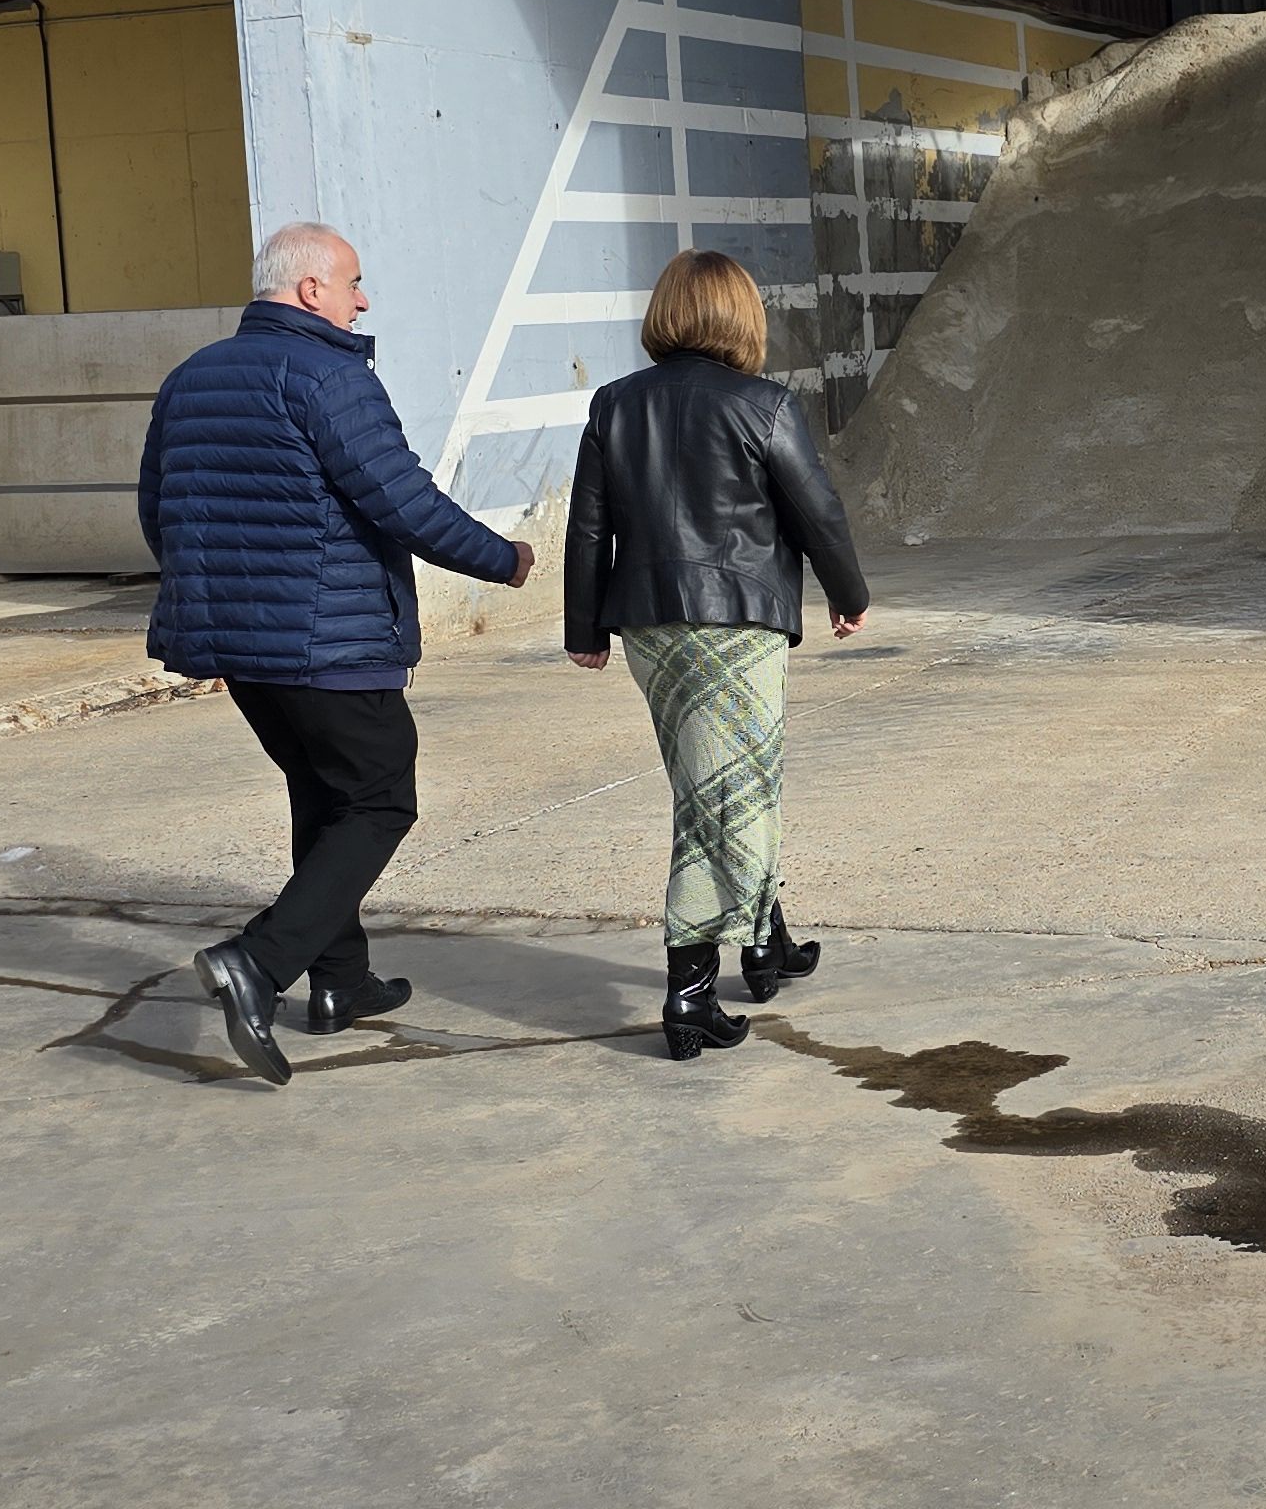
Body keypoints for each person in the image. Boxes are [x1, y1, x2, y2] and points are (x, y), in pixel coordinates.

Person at [138, 220, 530, 1085]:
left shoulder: (191, 377)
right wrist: (502, 559)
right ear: (309, 289)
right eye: (353, 283)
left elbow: (157, 509)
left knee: (324, 796)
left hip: (239, 646)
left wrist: (219, 598)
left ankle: (341, 983)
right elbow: (402, 502)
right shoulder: (328, 375)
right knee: (382, 798)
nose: (362, 300)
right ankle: (259, 962)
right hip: (327, 640)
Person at [563, 248, 869, 1061]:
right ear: (741, 315)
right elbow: (818, 510)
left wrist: (584, 629)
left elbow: (589, 526)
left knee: (725, 784)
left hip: (651, 633)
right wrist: (849, 593)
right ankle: (689, 990)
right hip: (736, 625)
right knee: (722, 798)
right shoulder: (762, 404)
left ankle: (766, 940)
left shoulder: (615, 404)